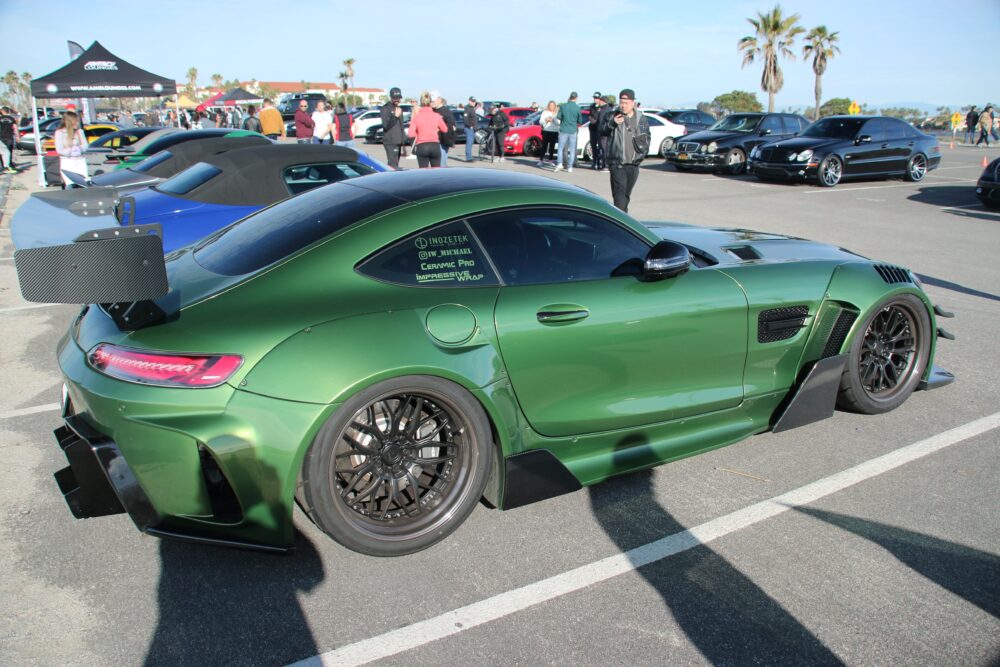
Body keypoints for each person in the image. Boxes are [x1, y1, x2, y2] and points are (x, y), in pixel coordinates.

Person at [602, 89, 651, 213]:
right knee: (619, 197)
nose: (623, 105)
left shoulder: (641, 118)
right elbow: (601, 130)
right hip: (618, 163)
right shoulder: (612, 116)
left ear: (633, 103)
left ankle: (623, 221)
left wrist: (641, 155)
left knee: (626, 197)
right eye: (621, 102)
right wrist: (612, 123)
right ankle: (620, 224)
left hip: (633, 164)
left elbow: (646, 137)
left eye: (626, 102)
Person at [406, 92, 447, 168]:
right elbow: (445, 129)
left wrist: (418, 133)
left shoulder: (417, 117)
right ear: (430, 102)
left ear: (421, 102)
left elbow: (410, 134)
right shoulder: (436, 115)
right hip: (435, 146)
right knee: (436, 172)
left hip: (422, 146)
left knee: (423, 174)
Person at [54, 110, 88, 186]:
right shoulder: (60, 133)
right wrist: (70, 150)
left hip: (80, 160)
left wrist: (79, 149)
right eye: (75, 121)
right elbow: (59, 149)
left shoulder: (80, 132)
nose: (77, 123)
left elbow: (85, 145)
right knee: (70, 184)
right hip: (67, 161)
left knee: (83, 183)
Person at [553, 92, 583, 172]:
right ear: (576, 98)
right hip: (573, 130)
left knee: (560, 148)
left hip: (564, 129)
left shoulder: (563, 106)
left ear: (569, 97)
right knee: (572, 149)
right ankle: (570, 167)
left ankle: (559, 163)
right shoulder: (577, 108)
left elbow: (558, 117)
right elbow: (580, 121)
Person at [380, 87, 406, 169]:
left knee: (396, 164)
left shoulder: (398, 108)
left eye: (398, 98)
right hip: (390, 142)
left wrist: (403, 141)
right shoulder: (385, 108)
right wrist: (395, 116)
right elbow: (386, 126)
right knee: (392, 165)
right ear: (391, 97)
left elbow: (401, 126)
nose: (397, 100)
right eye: (395, 98)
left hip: (398, 141)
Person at [431, 92, 455, 167]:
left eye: (433, 101)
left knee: (441, 166)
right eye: (431, 101)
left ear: (439, 99)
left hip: (442, 143)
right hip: (432, 142)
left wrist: (439, 129)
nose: (432, 103)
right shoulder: (432, 111)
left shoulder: (446, 111)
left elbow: (452, 126)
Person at [588, 92, 607, 171]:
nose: (595, 100)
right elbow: (590, 115)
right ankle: (594, 161)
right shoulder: (592, 106)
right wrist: (593, 120)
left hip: (600, 129)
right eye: (594, 98)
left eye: (597, 98)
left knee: (601, 146)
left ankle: (601, 162)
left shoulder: (602, 107)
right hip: (593, 128)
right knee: (593, 145)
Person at [537, 101, 559, 166]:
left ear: (555, 106)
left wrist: (553, 120)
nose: (551, 106)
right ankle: (541, 160)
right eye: (550, 105)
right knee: (544, 146)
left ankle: (550, 160)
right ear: (548, 106)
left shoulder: (557, 113)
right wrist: (545, 120)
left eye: (552, 105)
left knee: (552, 147)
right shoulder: (545, 112)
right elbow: (540, 122)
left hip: (554, 131)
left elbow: (559, 122)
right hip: (546, 131)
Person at [0, 106, 18, 173]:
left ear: (2, 111)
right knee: (9, 151)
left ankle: (3, 165)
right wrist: (17, 136)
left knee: (3, 152)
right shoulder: (11, 118)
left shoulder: (0, 118)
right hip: (9, 137)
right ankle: (8, 165)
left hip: (1, 137)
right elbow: (15, 128)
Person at [463, 96, 478, 161]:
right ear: (469, 101)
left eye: (474, 101)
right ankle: (468, 158)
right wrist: (470, 126)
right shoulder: (467, 109)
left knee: (471, 143)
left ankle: (470, 157)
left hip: (472, 129)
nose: (474, 103)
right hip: (469, 128)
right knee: (469, 143)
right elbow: (465, 119)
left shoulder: (472, 108)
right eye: (472, 101)